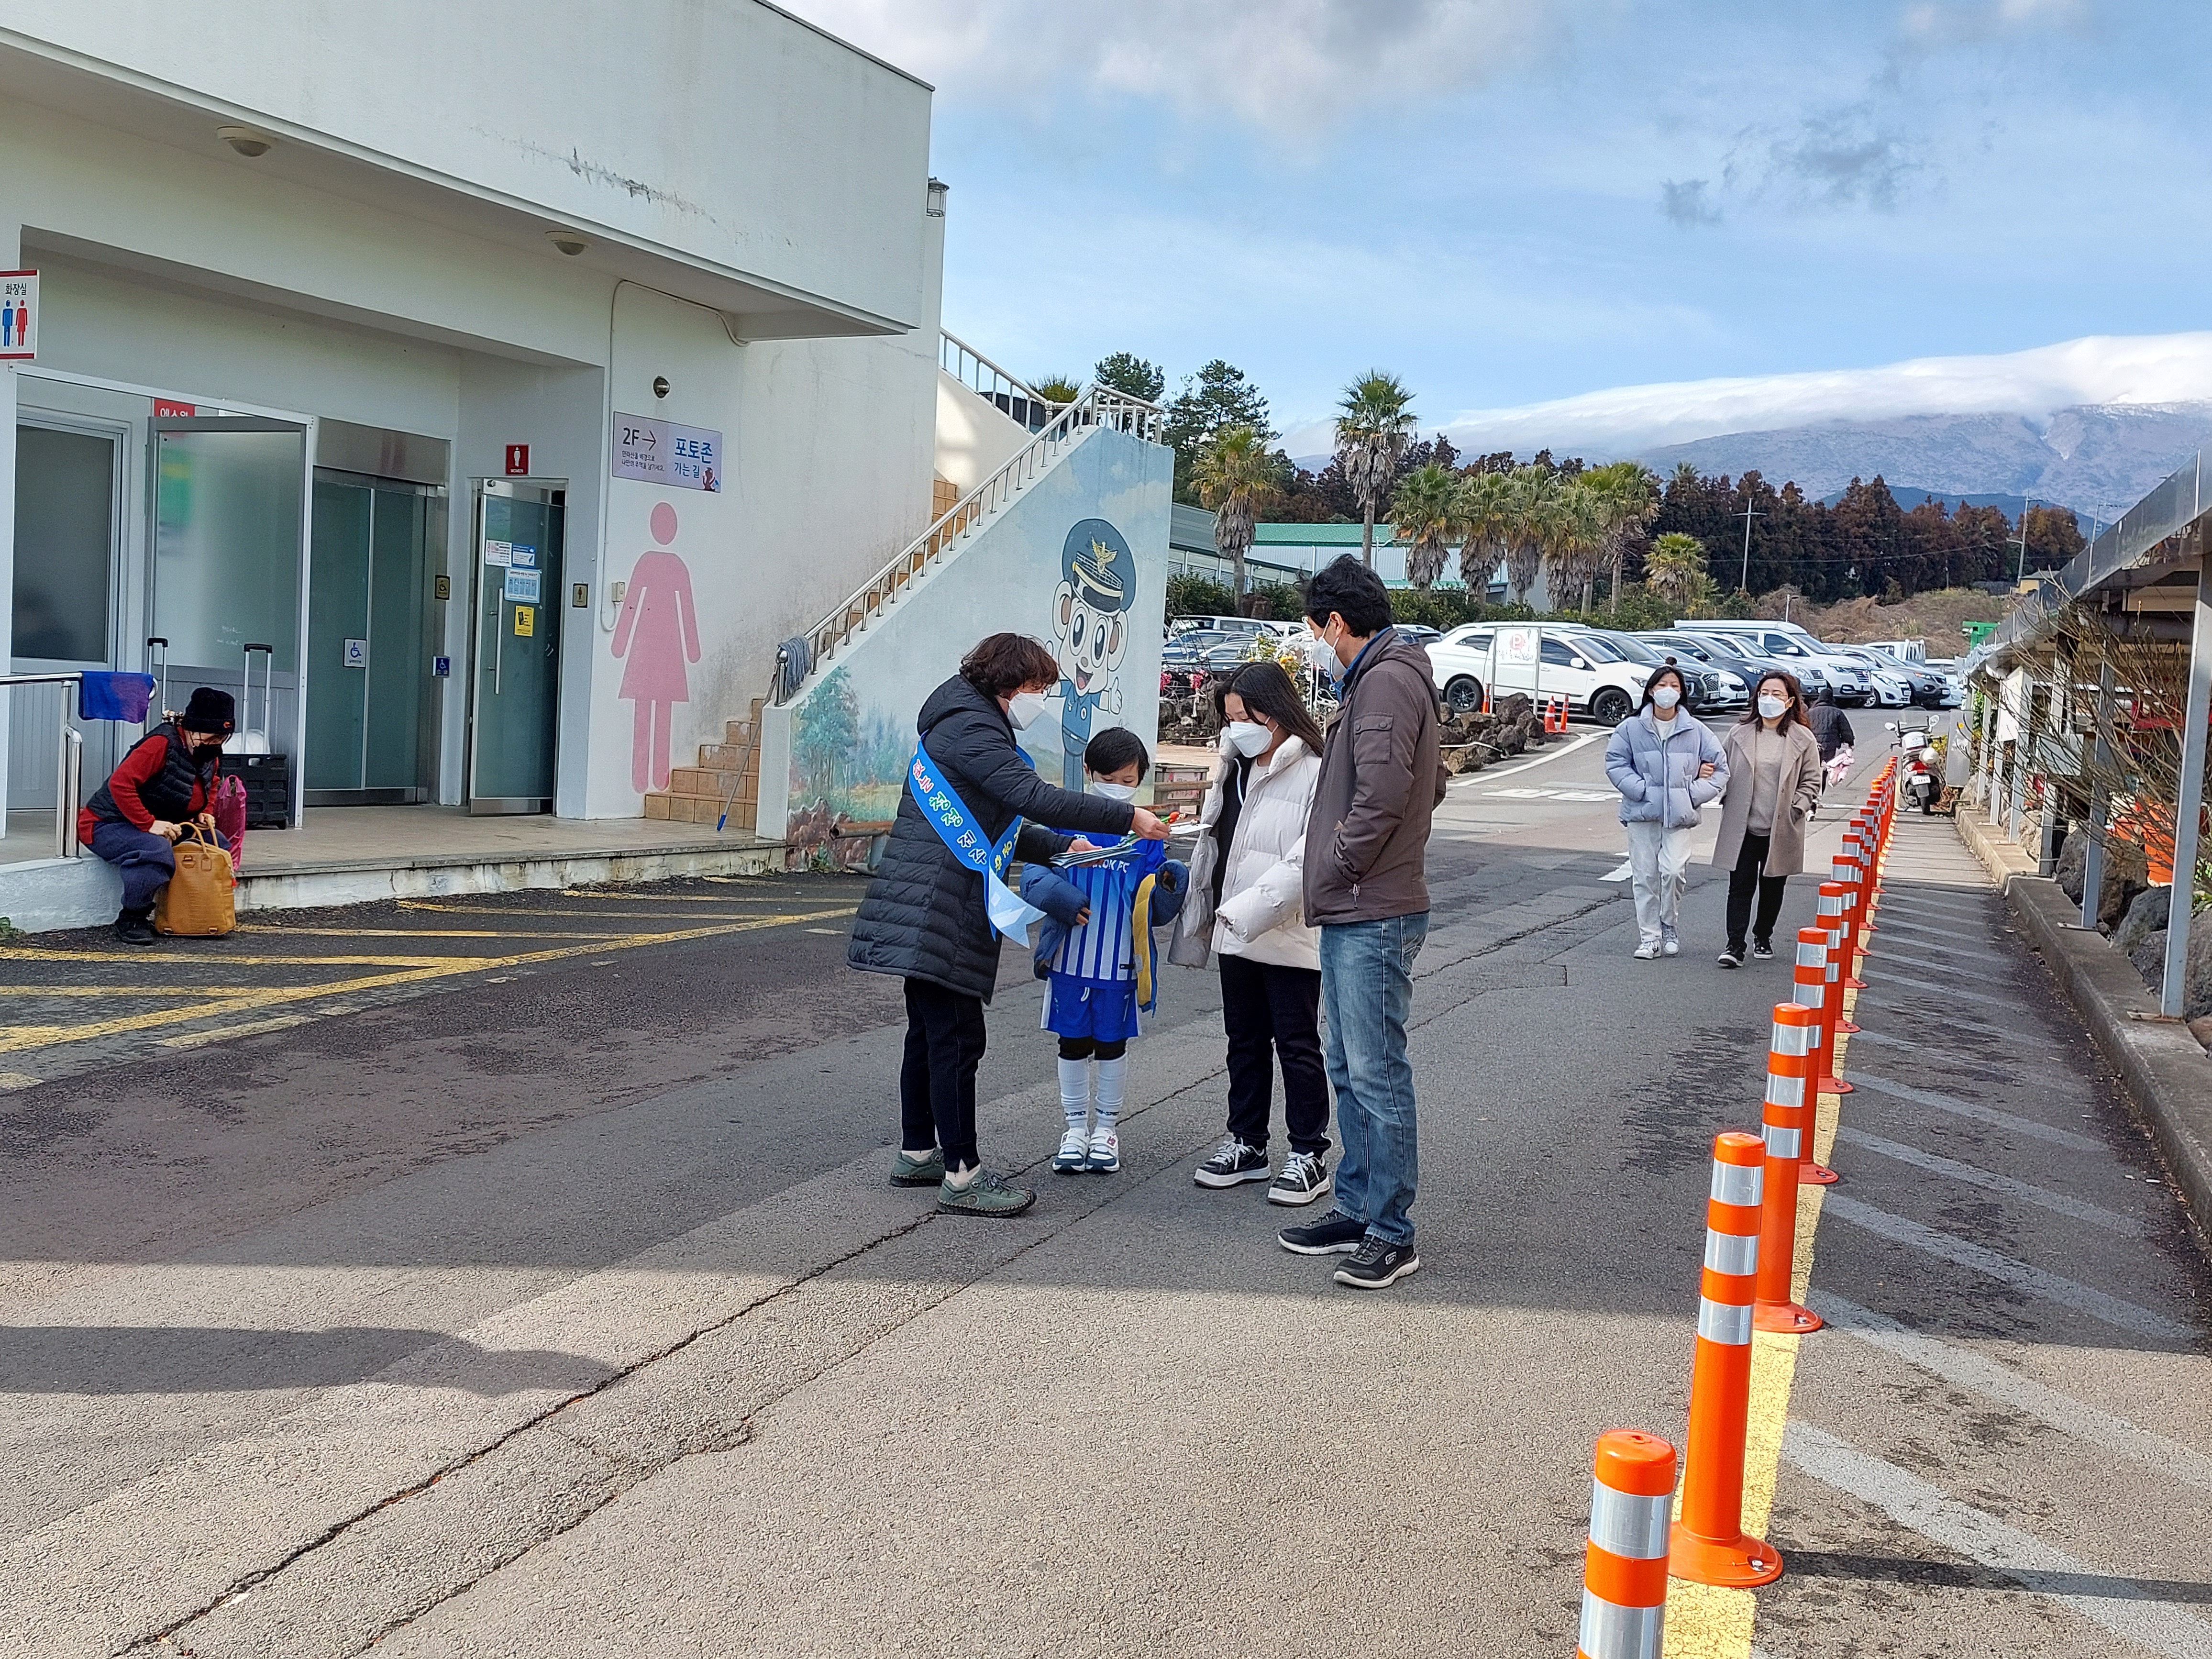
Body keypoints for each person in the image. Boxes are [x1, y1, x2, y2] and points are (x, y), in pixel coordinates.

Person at [848, 633, 1167, 1218]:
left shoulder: (962, 720)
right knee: (956, 1039)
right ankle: (963, 1176)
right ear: (1007, 684)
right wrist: (1128, 815)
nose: (1040, 699)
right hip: (938, 906)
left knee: (927, 1034)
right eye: (1037, 688)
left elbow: (1001, 822)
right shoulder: (973, 728)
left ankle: (919, 1150)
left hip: (926, 903)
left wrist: (1057, 845)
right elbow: (1030, 797)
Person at [1273, 557, 1446, 1290]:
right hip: (1363, 903)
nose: (1313, 644)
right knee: (1349, 1066)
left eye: (1314, 630)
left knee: (1375, 1073)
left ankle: (1391, 1230)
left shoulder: (1383, 681)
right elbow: (1430, 783)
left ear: (1336, 624)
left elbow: (1382, 797)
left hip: (1371, 906)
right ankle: (1360, 1205)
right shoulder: (1389, 675)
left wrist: (1337, 866)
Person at [1171, 660, 1331, 1206]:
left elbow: (1308, 857)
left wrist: (1250, 911)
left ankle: (1309, 1153)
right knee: (1243, 1041)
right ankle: (1247, 1142)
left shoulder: (1315, 769)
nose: (1237, 726)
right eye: (1231, 717)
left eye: (1246, 715)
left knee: (1297, 1044)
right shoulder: (1232, 765)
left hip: (1283, 929)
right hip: (1234, 925)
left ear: (1278, 710)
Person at [1029, 727, 1186, 1177]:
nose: (1117, 786)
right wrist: (1061, 899)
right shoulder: (1064, 820)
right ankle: (1075, 1129)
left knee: (1112, 1045)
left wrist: (1172, 886)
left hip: (1120, 959)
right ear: (1088, 771)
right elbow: (1035, 878)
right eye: (1108, 776)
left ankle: (1106, 1130)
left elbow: (1153, 904)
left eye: (1128, 778)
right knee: (1072, 1042)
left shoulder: (1148, 833)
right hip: (1069, 957)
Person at [79, 688, 235, 947]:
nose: (216, 743)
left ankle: (189, 909)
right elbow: (121, 784)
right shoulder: (159, 745)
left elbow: (212, 783)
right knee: (154, 850)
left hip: (165, 822)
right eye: (213, 736)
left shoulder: (207, 752)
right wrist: (149, 824)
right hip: (107, 823)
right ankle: (132, 917)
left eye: (223, 737)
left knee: (217, 843)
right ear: (192, 729)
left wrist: (205, 813)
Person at [1604, 664, 1728, 961]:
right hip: (1642, 814)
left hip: (1679, 818)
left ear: (1682, 692)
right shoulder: (1631, 728)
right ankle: (1650, 937)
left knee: (1673, 872)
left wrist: (1690, 794)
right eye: (1662, 685)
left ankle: (1668, 924)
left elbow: (1720, 769)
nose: (1668, 691)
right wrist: (1642, 790)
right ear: (1651, 691)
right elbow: (1615, 763)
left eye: (1674, 685)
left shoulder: (1696, 730)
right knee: (1645, 876)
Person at [1711, 671, 1824, 968]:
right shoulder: (1739, 734)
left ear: (1789, 702)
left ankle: (1763, 935)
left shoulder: (1803, 738)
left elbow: (1813, 780)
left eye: (1776, 694)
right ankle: (1735, 945)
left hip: (1781, 826)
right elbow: (1722, 768)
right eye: (1764, 693)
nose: (1769, 699)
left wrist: (1796, 808)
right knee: (1740, 887)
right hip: (1744, 825)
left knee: (1773, 887)